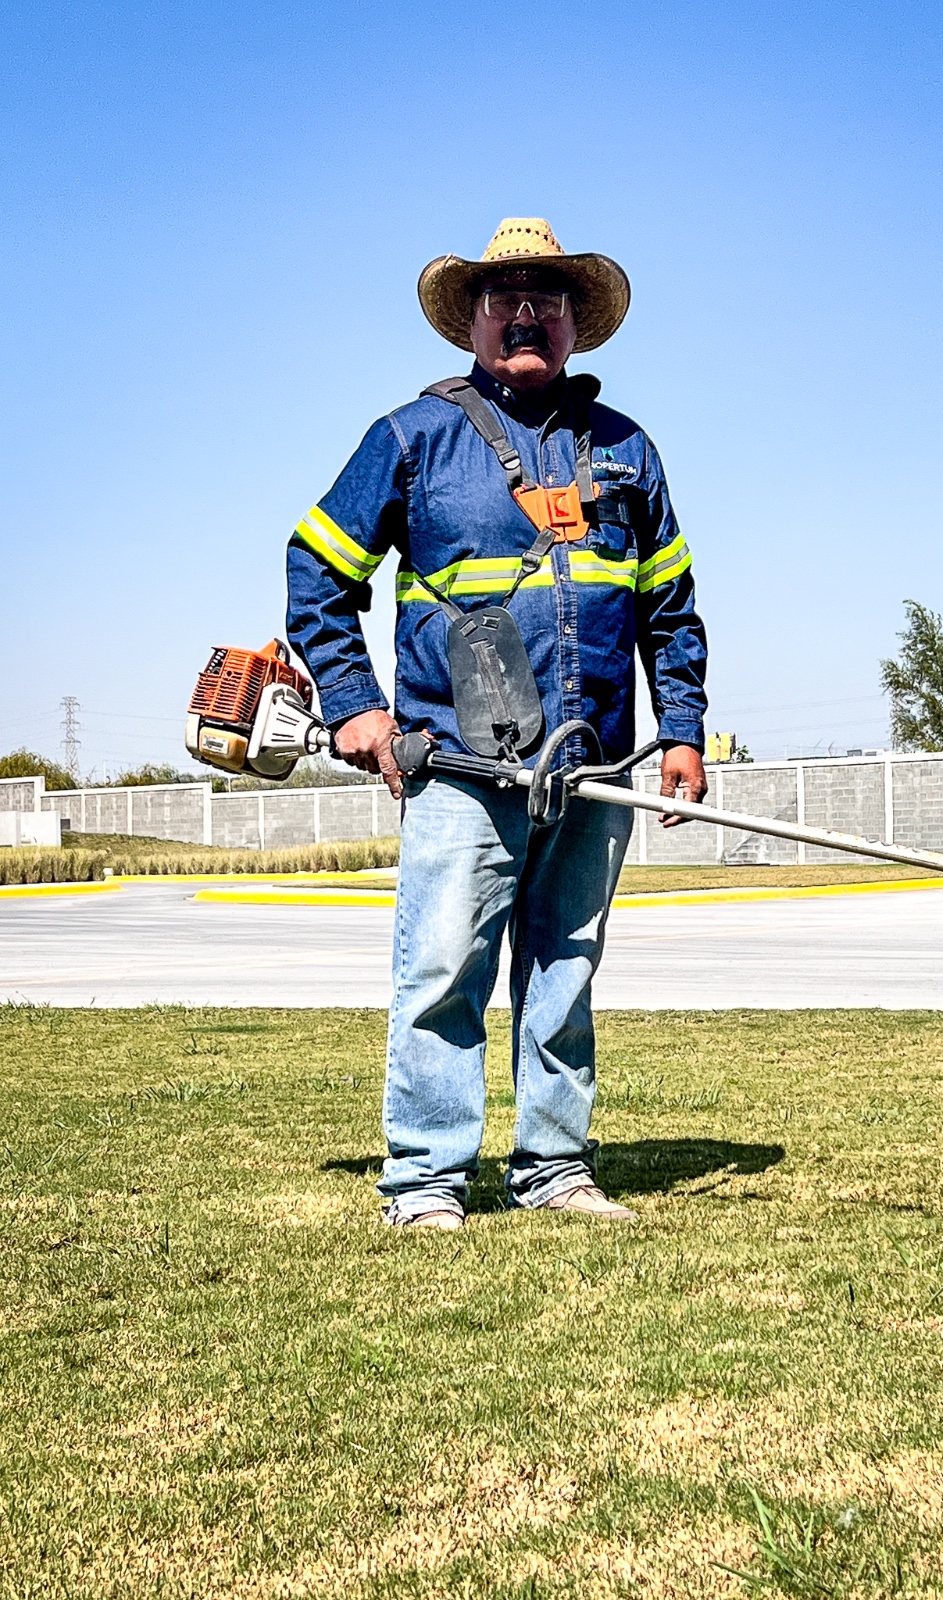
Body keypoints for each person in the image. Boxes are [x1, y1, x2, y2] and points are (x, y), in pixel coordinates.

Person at [286, 218, 708, 1230]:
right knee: (444, 968)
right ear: (471, 320)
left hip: (594, 759)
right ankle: (426, 1180)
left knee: (564, 966)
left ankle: (555, 1167)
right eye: (504, 297)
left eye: (547, 298)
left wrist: (683, 726)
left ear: (575, 323)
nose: (526, 313)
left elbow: (669, 604)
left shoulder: (627, 451)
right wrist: (353, 705)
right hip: (462, 759)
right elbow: (316, 570)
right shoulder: (409, 439)